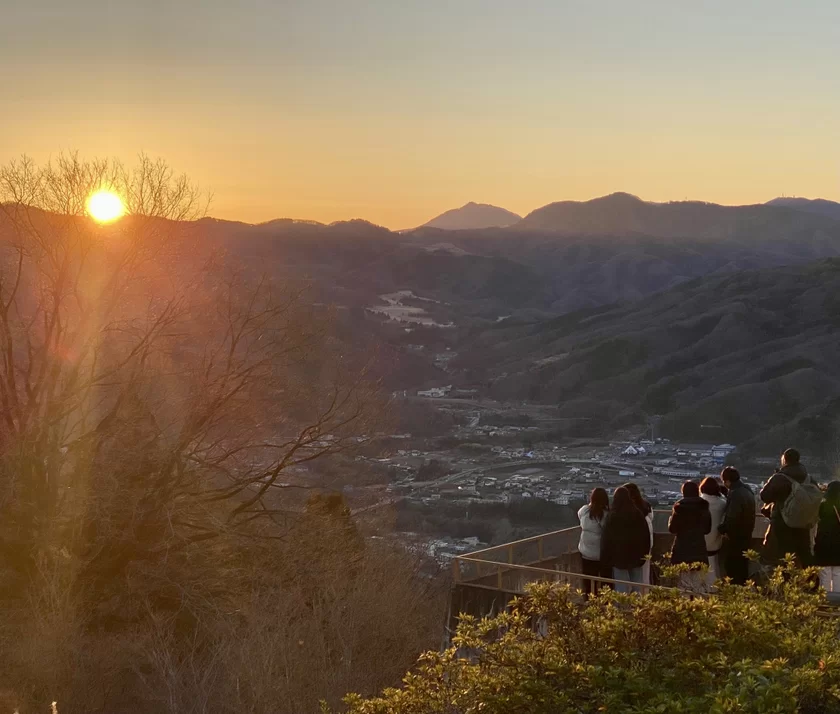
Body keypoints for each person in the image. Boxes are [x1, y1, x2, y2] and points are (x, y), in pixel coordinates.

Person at [759, 448, 814, 568]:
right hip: (803, 523)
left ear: (784, 459)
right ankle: (810, 584)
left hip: (782, 523)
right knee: (805, 556)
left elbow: (764, 496)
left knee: (783, 557)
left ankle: (785, 584)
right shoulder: (808, 478)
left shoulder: (780, 477)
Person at [601, 486, 651, 594]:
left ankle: (621, 609)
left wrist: (606, 557)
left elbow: (606, 539)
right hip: (637, 556)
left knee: (620, 587)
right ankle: (638, 608)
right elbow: (645, 536)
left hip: (619, 557)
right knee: (638, 586)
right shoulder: (638, 514)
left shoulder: (612, 516)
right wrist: (645, 554)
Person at [669, 481, 712, 592]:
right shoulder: (704, 507)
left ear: (683, 492)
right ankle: (698, 606)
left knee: (683, 583)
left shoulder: (679, 508)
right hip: (699, 548)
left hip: (681, 548)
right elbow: (707, 530)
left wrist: (670, 520)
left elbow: (672, 529)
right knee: (698, 583)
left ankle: (685, 606)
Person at [718, 466, 756, 585]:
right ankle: (742, 589)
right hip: (746, 533)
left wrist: (722, 529)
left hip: (736, 537)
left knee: (732, 566)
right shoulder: (746, 489)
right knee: (743, 565)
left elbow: (732, 517)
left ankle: (735, 591)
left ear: (727, 481)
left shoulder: (736, 494)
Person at [577, 488, 610, 597]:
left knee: (589, 582)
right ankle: (606, 606)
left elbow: (579, 515)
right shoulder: (606, 515)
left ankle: (589, 603)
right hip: (602, 554)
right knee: (606, 582)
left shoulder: (584, 511)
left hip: (586, 552)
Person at [624, 482, 654, 585]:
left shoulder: (627, 508)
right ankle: (643, 595)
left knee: (629, 575)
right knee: (644, 573)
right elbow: (651, 518)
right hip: (647, 544)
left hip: (630, 544)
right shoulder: (646, 506)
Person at [699, 477, 727, 585]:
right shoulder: (722, 503)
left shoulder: (700, 502)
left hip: (701, 540)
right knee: (714, 565)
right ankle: (713, 587)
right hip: (716, 539)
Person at [813, 481, 840, 593]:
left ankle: (825, 598)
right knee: (838, 572)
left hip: (823, 542)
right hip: (838, 543)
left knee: (824, 571)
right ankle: (838, 597)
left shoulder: (822, 503)